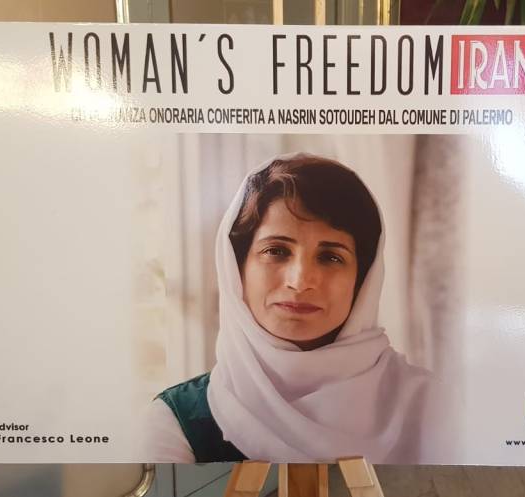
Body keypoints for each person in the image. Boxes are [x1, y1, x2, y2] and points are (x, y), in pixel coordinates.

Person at [141, 153, 436, 463]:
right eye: (276, 251)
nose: (300, 281)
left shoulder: (435, 408)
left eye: (331, 257)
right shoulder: (174, 423)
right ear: (237, 268)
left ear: (363, 279)